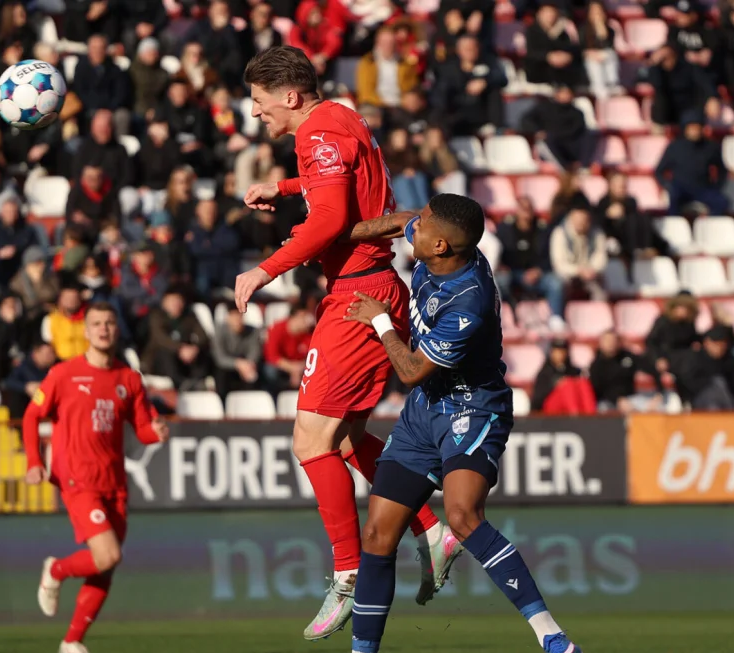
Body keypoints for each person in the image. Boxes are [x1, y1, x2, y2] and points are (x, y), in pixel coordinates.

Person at [233, 46, 448, 639]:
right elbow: (339, 187)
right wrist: (283, 187)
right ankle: (432, 526)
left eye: (259, 102)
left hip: (356, 297)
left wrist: (263, 270)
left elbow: (329, 220)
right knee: (348, 438)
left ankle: (349, 573)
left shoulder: (317, 131)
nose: (256, 114)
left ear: (290, 96)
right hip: (372, 287)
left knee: (309, 439)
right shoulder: (344, 116)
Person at [342, 194, 582, 653]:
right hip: (422, 413)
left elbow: (410, 369)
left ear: (441, 247)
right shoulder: (438, 242)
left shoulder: (467, 303)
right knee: (376, 533)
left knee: (462, 516)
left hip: (472, 409)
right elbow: (397, 222)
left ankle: (551, 636)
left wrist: (380, 323)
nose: (416, 224)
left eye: (425, 223)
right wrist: (331, 234)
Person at [23, 302, 169, 653]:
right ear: (86, 332)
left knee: (105, 567)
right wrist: (33, 461)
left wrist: (157, 432)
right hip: (78, 479)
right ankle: (56, 570)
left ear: (116, 330)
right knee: (108, 555)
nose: (103, 329)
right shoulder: (64, 374)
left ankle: (71, 642)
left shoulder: (128, 378)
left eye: (109, 323)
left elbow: (143, 427)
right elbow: (31, 416)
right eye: (96, 324)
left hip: (114, 483)